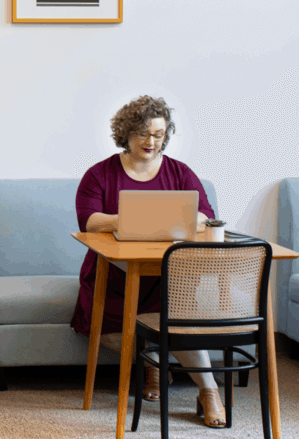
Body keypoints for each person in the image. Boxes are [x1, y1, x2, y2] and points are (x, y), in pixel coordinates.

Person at [70, 95, 225, 428]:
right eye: (143, 134)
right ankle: (154, 364)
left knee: (175, 320)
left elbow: (205, 216)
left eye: (158, 134)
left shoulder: (180, 173)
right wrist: (126, 218)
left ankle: (209, 391)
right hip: (111, 278)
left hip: (168, 278)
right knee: (113, 327)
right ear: (126, 134)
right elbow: (89, 220)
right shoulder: (100, 174)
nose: (151, 141)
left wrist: (178, 218)